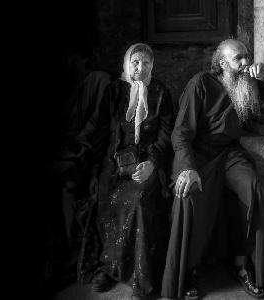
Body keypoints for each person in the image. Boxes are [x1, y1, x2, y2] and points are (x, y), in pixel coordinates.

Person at [161, 39, 264, 300]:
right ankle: (188, 269)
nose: (246, 63)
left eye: (247, 56)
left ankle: (245, 266)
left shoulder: (250, 85)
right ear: (222, 64)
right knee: (188, 195)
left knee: (253, 186)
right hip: (198, 155)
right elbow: (181, 134)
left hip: (230, 153)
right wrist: (187, 168)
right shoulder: (201, 83)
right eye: (239, 59)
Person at [77, 43, 174, 300]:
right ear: (126, 64)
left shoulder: (161, 92)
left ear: (152, 65)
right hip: (114, 162)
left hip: (147, 162)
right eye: (134, 62)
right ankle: (109, 267)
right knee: (106, 197)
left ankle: (140, 277)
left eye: (144, 63)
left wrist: (152, 163)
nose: (139, 67)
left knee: (140, 201)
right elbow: (100, 131)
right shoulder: (115, 91)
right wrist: (98, 167)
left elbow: (166, 135)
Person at [44, 49, 110, 293]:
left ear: (84, 56)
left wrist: (79, 151)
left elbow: (97, 127)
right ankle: (59, 257)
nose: (66, 60)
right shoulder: (62, 85)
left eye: (72, 55)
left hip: (84, 154)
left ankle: (72, 257)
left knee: (69, 183)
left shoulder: (98, 81)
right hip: (63, 152)